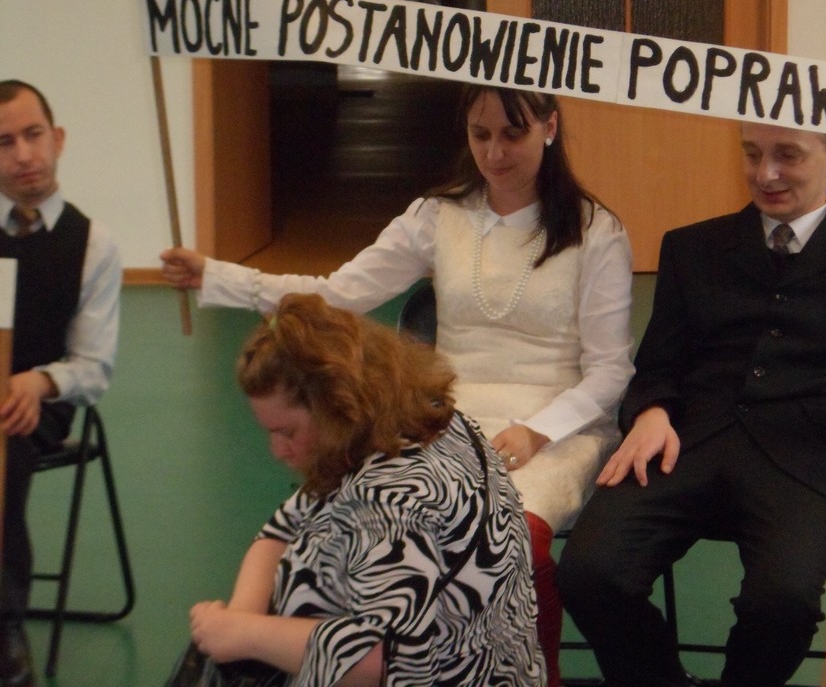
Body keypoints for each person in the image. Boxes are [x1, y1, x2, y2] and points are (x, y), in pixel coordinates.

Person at [161, 84, 634, 686]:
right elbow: (336, 295)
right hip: (449, 423)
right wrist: (218, 277)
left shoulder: (597, 231)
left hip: (559, 429)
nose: (494, 153)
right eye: (480, 135)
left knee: (518, 539)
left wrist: (537, 432)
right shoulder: (438, 215)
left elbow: (610, 371)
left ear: (550, 127)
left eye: (513, 134)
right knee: (365, 521)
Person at [556, 121, 826, 687]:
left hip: (808, 455)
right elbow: (658, 365)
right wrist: (653, 411)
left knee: (783, 603)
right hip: (686, 442)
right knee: (589, 572)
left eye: (788, 155)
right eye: (752, 154)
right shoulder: (692, 246)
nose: (765, 174)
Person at [185, 292, 545, 686]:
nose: (277, 450)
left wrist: (245, 635)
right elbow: (283, 526)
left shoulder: (389, 501)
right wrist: (240, 618)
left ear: (335, 409)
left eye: (287, 432)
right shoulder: (427, 423)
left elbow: (379, 659)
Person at [0, 80, 121, 687]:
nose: (23, 154)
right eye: (4, 143)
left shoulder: (93, 244)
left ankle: (4, 630)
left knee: (3, 446)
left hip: (38, 404)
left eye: (33, 135)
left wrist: (39, 382)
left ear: (58, 139)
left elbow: (93, 367)